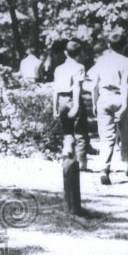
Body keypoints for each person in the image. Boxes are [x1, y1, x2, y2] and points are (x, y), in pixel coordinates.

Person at [87, 30, 128, 186]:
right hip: (121, 99)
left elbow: (93, 84)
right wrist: (124, 104)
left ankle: (104, 169)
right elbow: (126, 85)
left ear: (109, 45)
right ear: (125, 46)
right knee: (126, 134)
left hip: (104, 99)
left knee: (106, 137)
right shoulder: (127, 62)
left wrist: (95, 103)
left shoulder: (101, 61)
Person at [52, 38, 89, 170]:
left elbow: (55, 89)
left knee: (67, 132)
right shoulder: (79, 67)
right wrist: (76, 105)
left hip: (61, 101)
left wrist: (54, 108)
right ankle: (81, 163)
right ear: (79, 54)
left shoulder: (58, 69)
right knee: (80, 133)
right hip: (73, 99)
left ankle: (67, 156)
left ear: (65, 53)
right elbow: (76, 87)